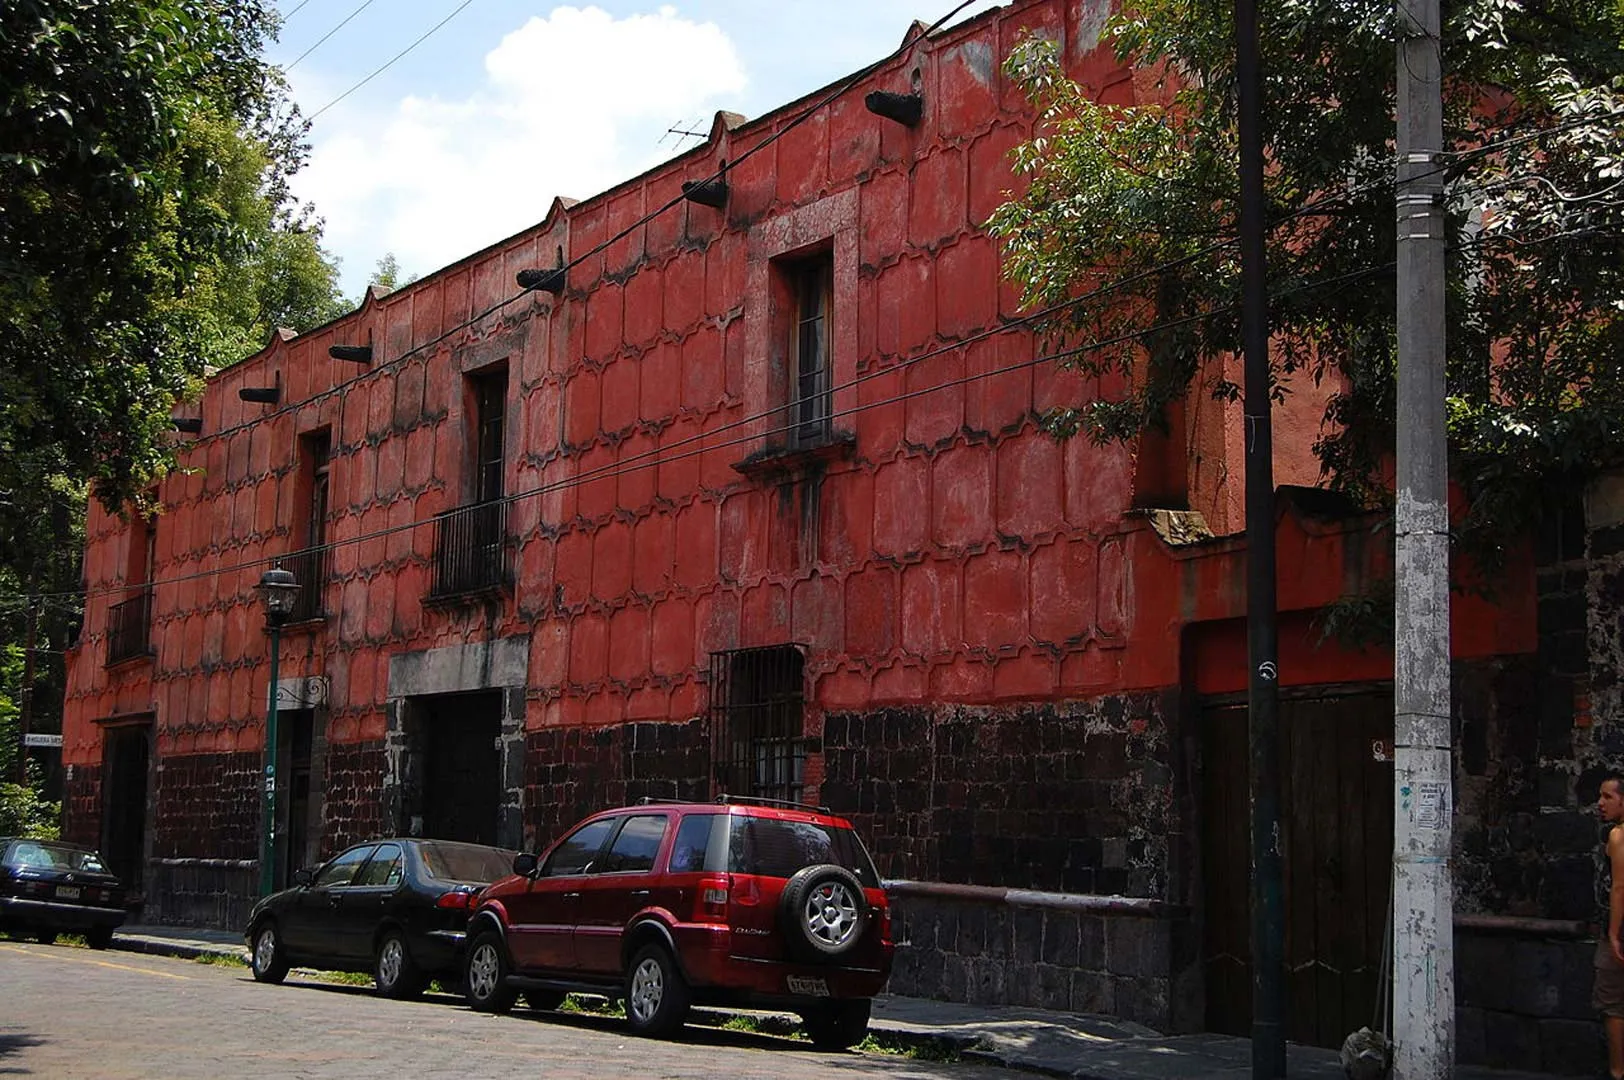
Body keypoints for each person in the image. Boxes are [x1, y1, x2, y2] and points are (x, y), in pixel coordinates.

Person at [1597, 775, 1624, 1080]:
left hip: (1620, 929)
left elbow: (1619, 887)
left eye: (1608, 797)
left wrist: (1614, 934)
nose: (1601, 804)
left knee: (1614, 1005)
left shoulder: (1618, 836)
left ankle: (1618, 1070)